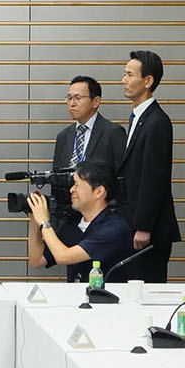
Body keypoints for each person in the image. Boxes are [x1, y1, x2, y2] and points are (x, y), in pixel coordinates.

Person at [46, 76, 126, 249]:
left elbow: (123, 179)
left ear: (96, 101)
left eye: (78, 98)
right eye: (69, 98)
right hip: (69, 219)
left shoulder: (113, 133)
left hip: (102, 221)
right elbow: (56, 179)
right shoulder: (64, 137)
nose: (72, 103)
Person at [120, 51, 178, 279]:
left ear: (148, 81)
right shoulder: (137, 117)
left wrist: (143, 226)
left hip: (149, 231)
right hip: (132, 223)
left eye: (129, 74)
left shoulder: (157, 122)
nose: (123, 80)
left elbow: (154, 177)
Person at [25, 165, 135, 283]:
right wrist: (34, 218)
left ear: (99, 192)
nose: (71, 190)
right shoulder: (73, 225)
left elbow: (63, 257)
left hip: (107, 298)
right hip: (76, 297)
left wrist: (44, 222)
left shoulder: (114, 228)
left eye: (77, 185)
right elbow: (37, 260)